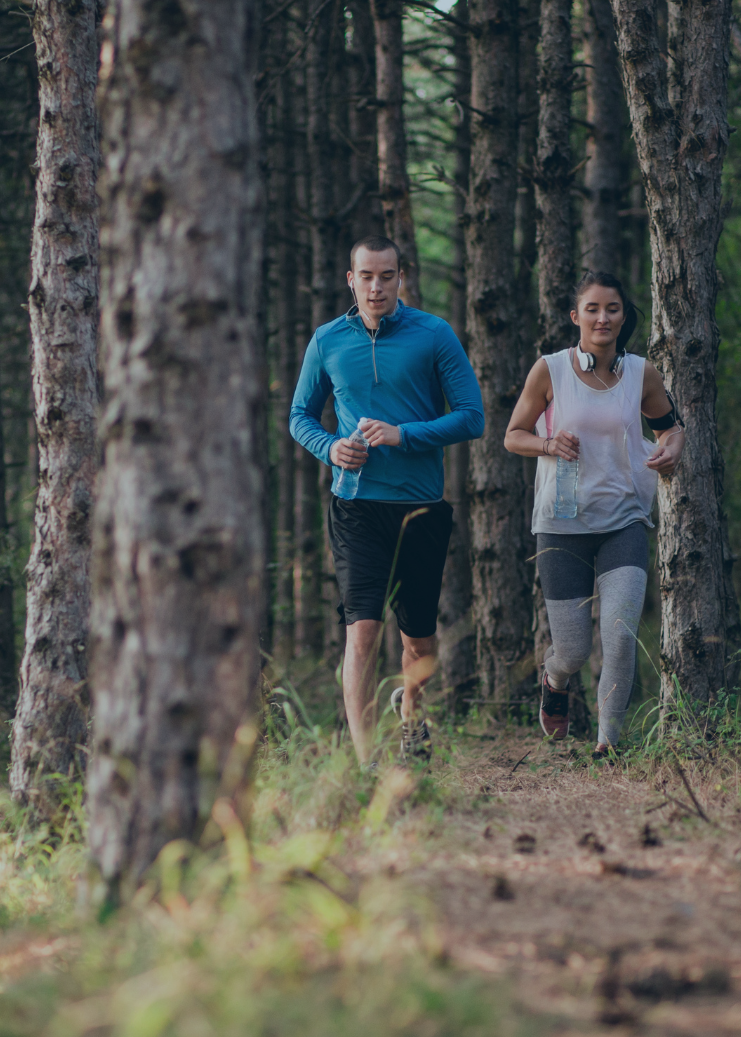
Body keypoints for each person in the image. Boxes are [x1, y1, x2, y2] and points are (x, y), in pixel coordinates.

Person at [290, 235, 485, 766]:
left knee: (418, 642)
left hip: (420, 507)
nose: (377, 286)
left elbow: (472, 416)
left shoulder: (433, 335)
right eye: (367, 276)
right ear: (350, 280)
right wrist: (331, 447)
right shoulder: (328, 340)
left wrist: (405, 434)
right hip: (355, 506)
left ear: (402, 278)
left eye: (387, 276)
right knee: (362, 631)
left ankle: (411, 712)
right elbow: (299, 416)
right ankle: (366, 763)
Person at [504, 271, 683, 757]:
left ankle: (609, 743)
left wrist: (672, 448)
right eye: (593, 309)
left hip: (623, 521)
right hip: (562, 524)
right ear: (575, 317)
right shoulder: (550, 370)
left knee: (620, 637)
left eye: (613, 309)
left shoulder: (642, 374)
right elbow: (512, 435)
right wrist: (547, 442)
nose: (603, 318)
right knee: (575, 650)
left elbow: (670, 427)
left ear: (624, 316)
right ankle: (555, 676)